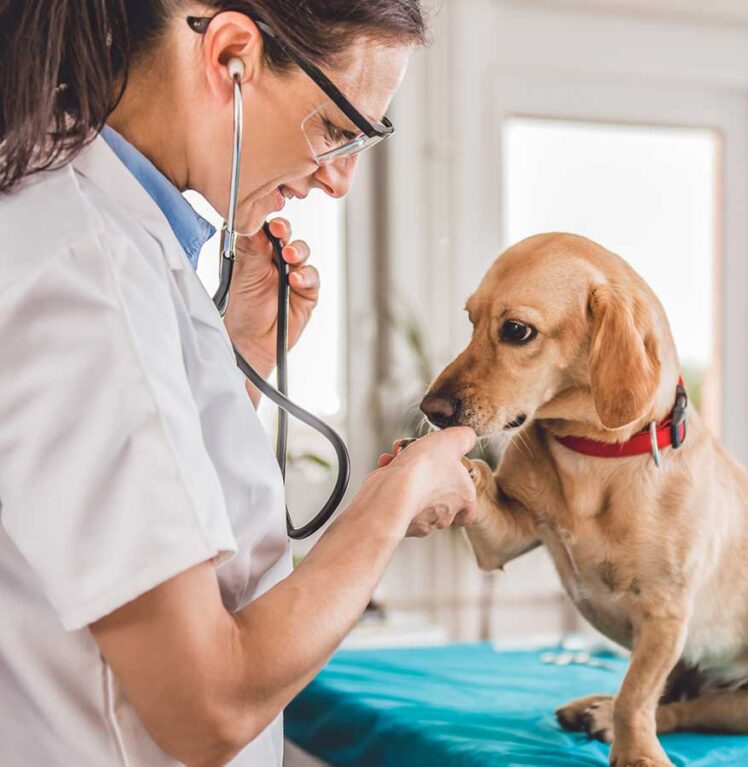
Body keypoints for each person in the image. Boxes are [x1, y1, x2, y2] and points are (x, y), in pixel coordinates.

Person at [0, 2, 476, 765]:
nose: (340, 179)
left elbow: (137, 511)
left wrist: (240, 357)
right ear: (230, 55)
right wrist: (397, 499)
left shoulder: (114, 241)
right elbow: (207, 705)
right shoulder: (87, 272)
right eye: (335, 129)